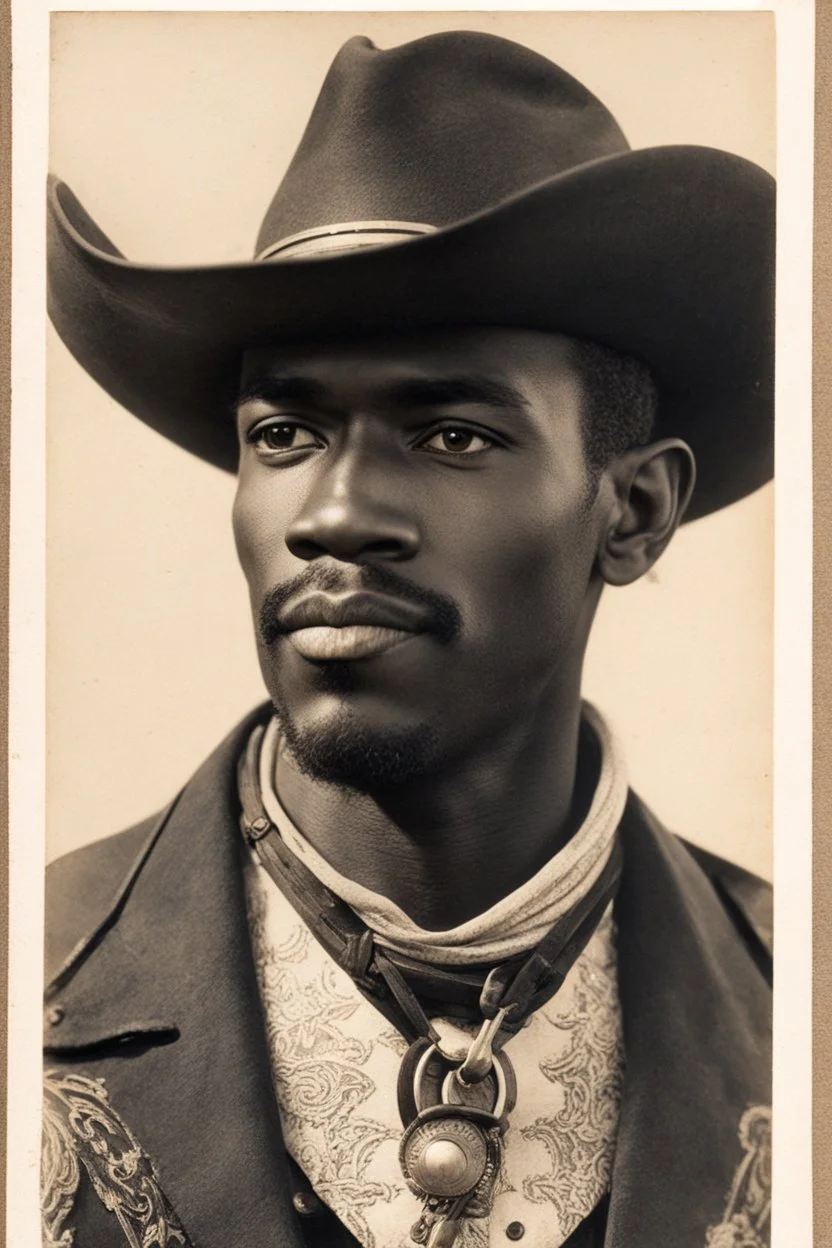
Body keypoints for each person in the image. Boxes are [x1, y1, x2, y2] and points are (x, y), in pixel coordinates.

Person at [41, 30, 774, 1248]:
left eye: (450, 436)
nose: (332, 515)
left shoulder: (789, 1009)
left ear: (633, 511)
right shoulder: (36, 971)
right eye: (283, 434)